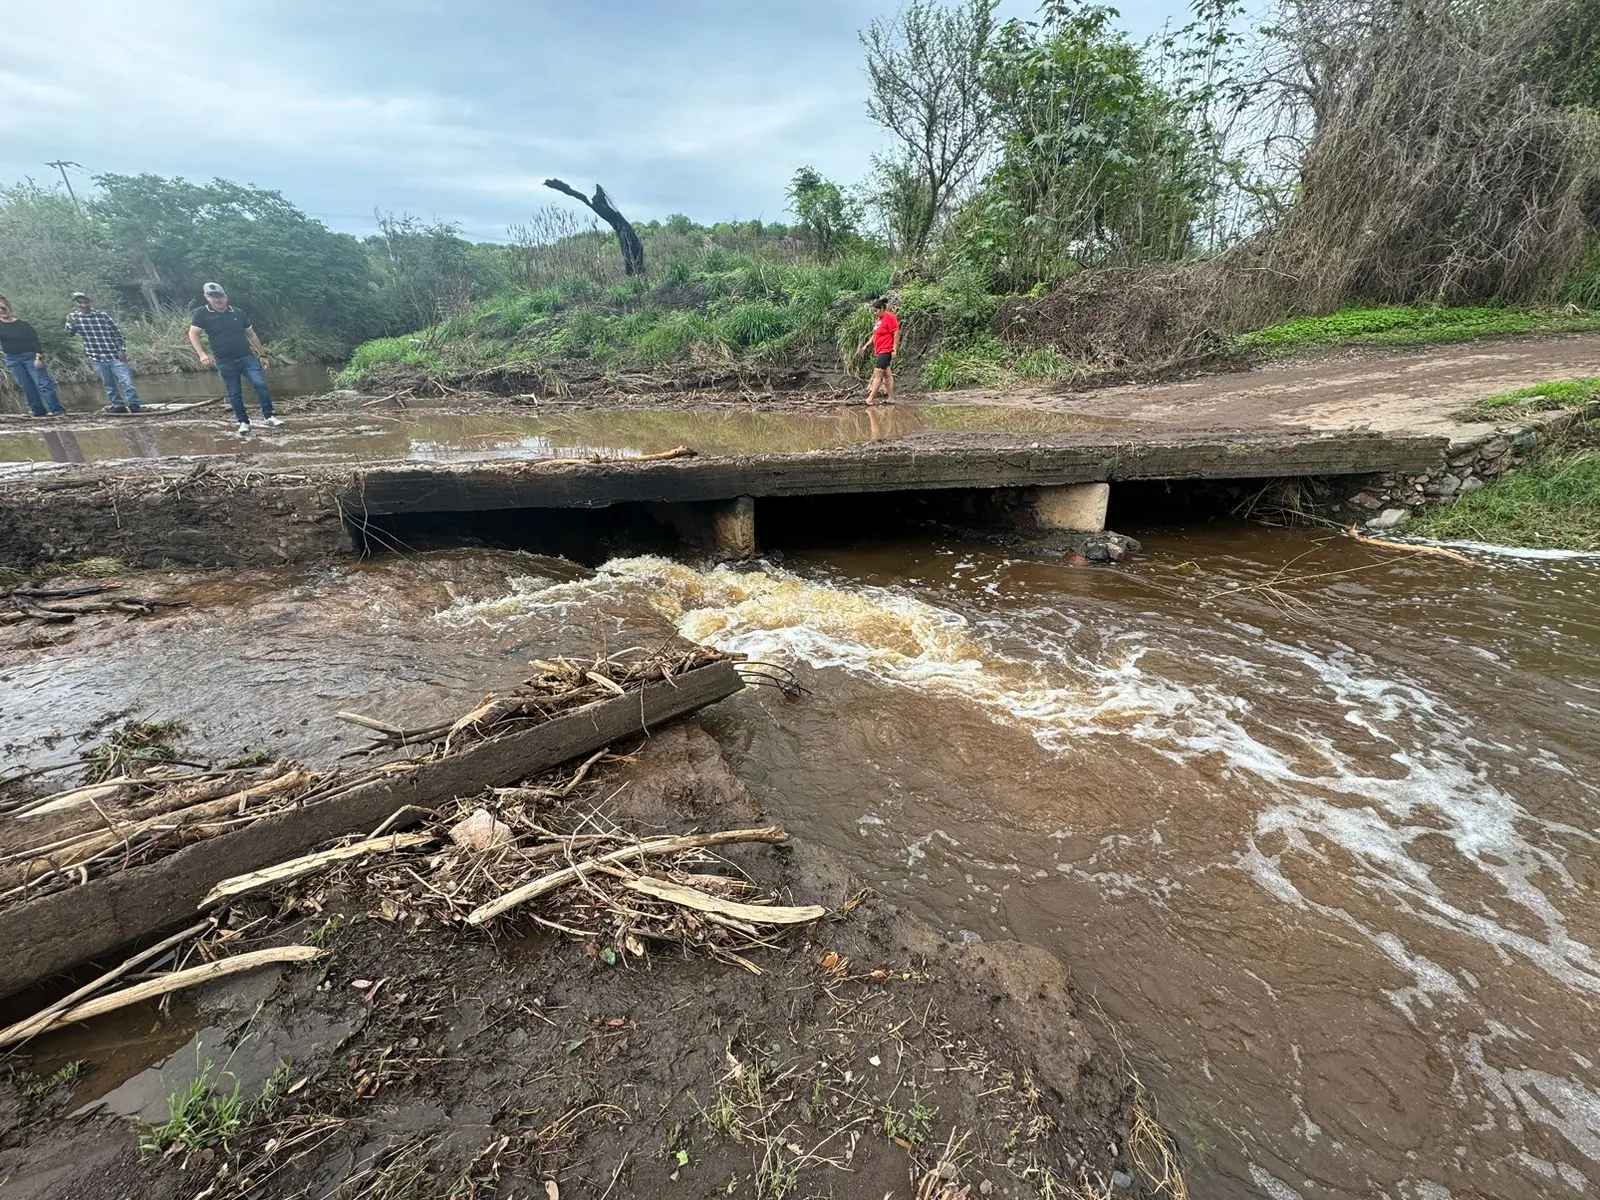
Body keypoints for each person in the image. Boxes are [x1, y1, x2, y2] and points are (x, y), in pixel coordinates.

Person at [188, 282, 279, 436]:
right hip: (224, 361)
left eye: (220, 296)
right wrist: (202, 354)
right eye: (213, 297)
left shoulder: (237, 312)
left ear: (226, 297)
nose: (217, 300)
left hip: (246, 357)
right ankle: (243, 422)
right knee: (234, 392)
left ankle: (269, 415)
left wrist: (262, 354)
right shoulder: (202, 313)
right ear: (206, 297)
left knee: (260, 384)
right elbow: (193, 334)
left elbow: (251, 334)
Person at [64, 292, 142, 412]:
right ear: (76, 303)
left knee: (126, 381)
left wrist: (121, 349)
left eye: (85, 301)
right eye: (80, 302)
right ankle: (119, 406)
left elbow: (118, 333)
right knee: (109, 384)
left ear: (89, 302)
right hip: (96, 356)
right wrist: (71, 323)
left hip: (114, 354)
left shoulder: (102, 315)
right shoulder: (74, 317)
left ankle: (134, 405)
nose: (84, 304)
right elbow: (69, 334)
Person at [0, 296, 66, 417]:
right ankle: (38, 411)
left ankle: (57, 410)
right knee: (26, 387)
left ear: (9, 308)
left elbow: (35, 342)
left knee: (43, 384)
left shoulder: (23, 325)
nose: (1, 310)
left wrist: (38, 358)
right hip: (12, 359)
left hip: (30, 357)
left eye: (3, 308)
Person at [856, 296, 900, 405]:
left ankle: (870, 399)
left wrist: (894, 349)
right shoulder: (879, 320)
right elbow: (875, 334)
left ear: (881, 308)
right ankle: (891, 398)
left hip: (886, 350)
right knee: (887, 374)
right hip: (880, 350)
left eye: (875, 311)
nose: (874, 313)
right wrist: (866, 345)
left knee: (877, 374)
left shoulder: (890, 317)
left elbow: (896, 333)